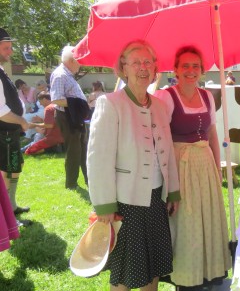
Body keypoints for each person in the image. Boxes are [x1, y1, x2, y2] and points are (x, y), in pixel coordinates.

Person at [87, 40, 180, 291]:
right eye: (136, 62)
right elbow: (98, 158)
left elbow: (168, 151)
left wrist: (173, 191)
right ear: (123, 68)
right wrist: (104, 204)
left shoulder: (160, 105)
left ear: (155, 69)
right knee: (126, 271)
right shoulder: (110, 103)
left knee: (153, 266)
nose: (143, 67)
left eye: (148, 62)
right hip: (125, 201)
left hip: (157, 198)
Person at [153, 45, 231, 290]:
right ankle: (187, 277)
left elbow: (211, 133)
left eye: (195, 66)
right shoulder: (166, 96)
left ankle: (209, 270)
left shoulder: (207, 96)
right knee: (186, 222)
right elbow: (160, 140)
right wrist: (169, 181)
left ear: (202, 70)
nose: (190, 70)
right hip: (180, 165)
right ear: (175, 69)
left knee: (207, 217)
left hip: (205, 163)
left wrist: (217, 167)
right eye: (184, 65)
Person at [0, 28, 33, 226]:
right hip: (3, 132)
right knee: (5, 173)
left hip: (9, 132)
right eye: (6, 48)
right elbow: (1, 110)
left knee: (15, 167)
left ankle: (11, 206)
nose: (10, 52)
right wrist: (21, 121)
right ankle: (6, 219)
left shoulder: (2, 70)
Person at [50, 46, 89, 190]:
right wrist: (79, 103)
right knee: (74, 150)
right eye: (79, 61)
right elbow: (56, 99)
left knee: (83, 147)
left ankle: (87, 179)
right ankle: (71, 183)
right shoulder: (60, 74)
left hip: (74, 116)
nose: (81, 64)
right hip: (67, 117)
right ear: (72, 60)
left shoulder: (68, 74)